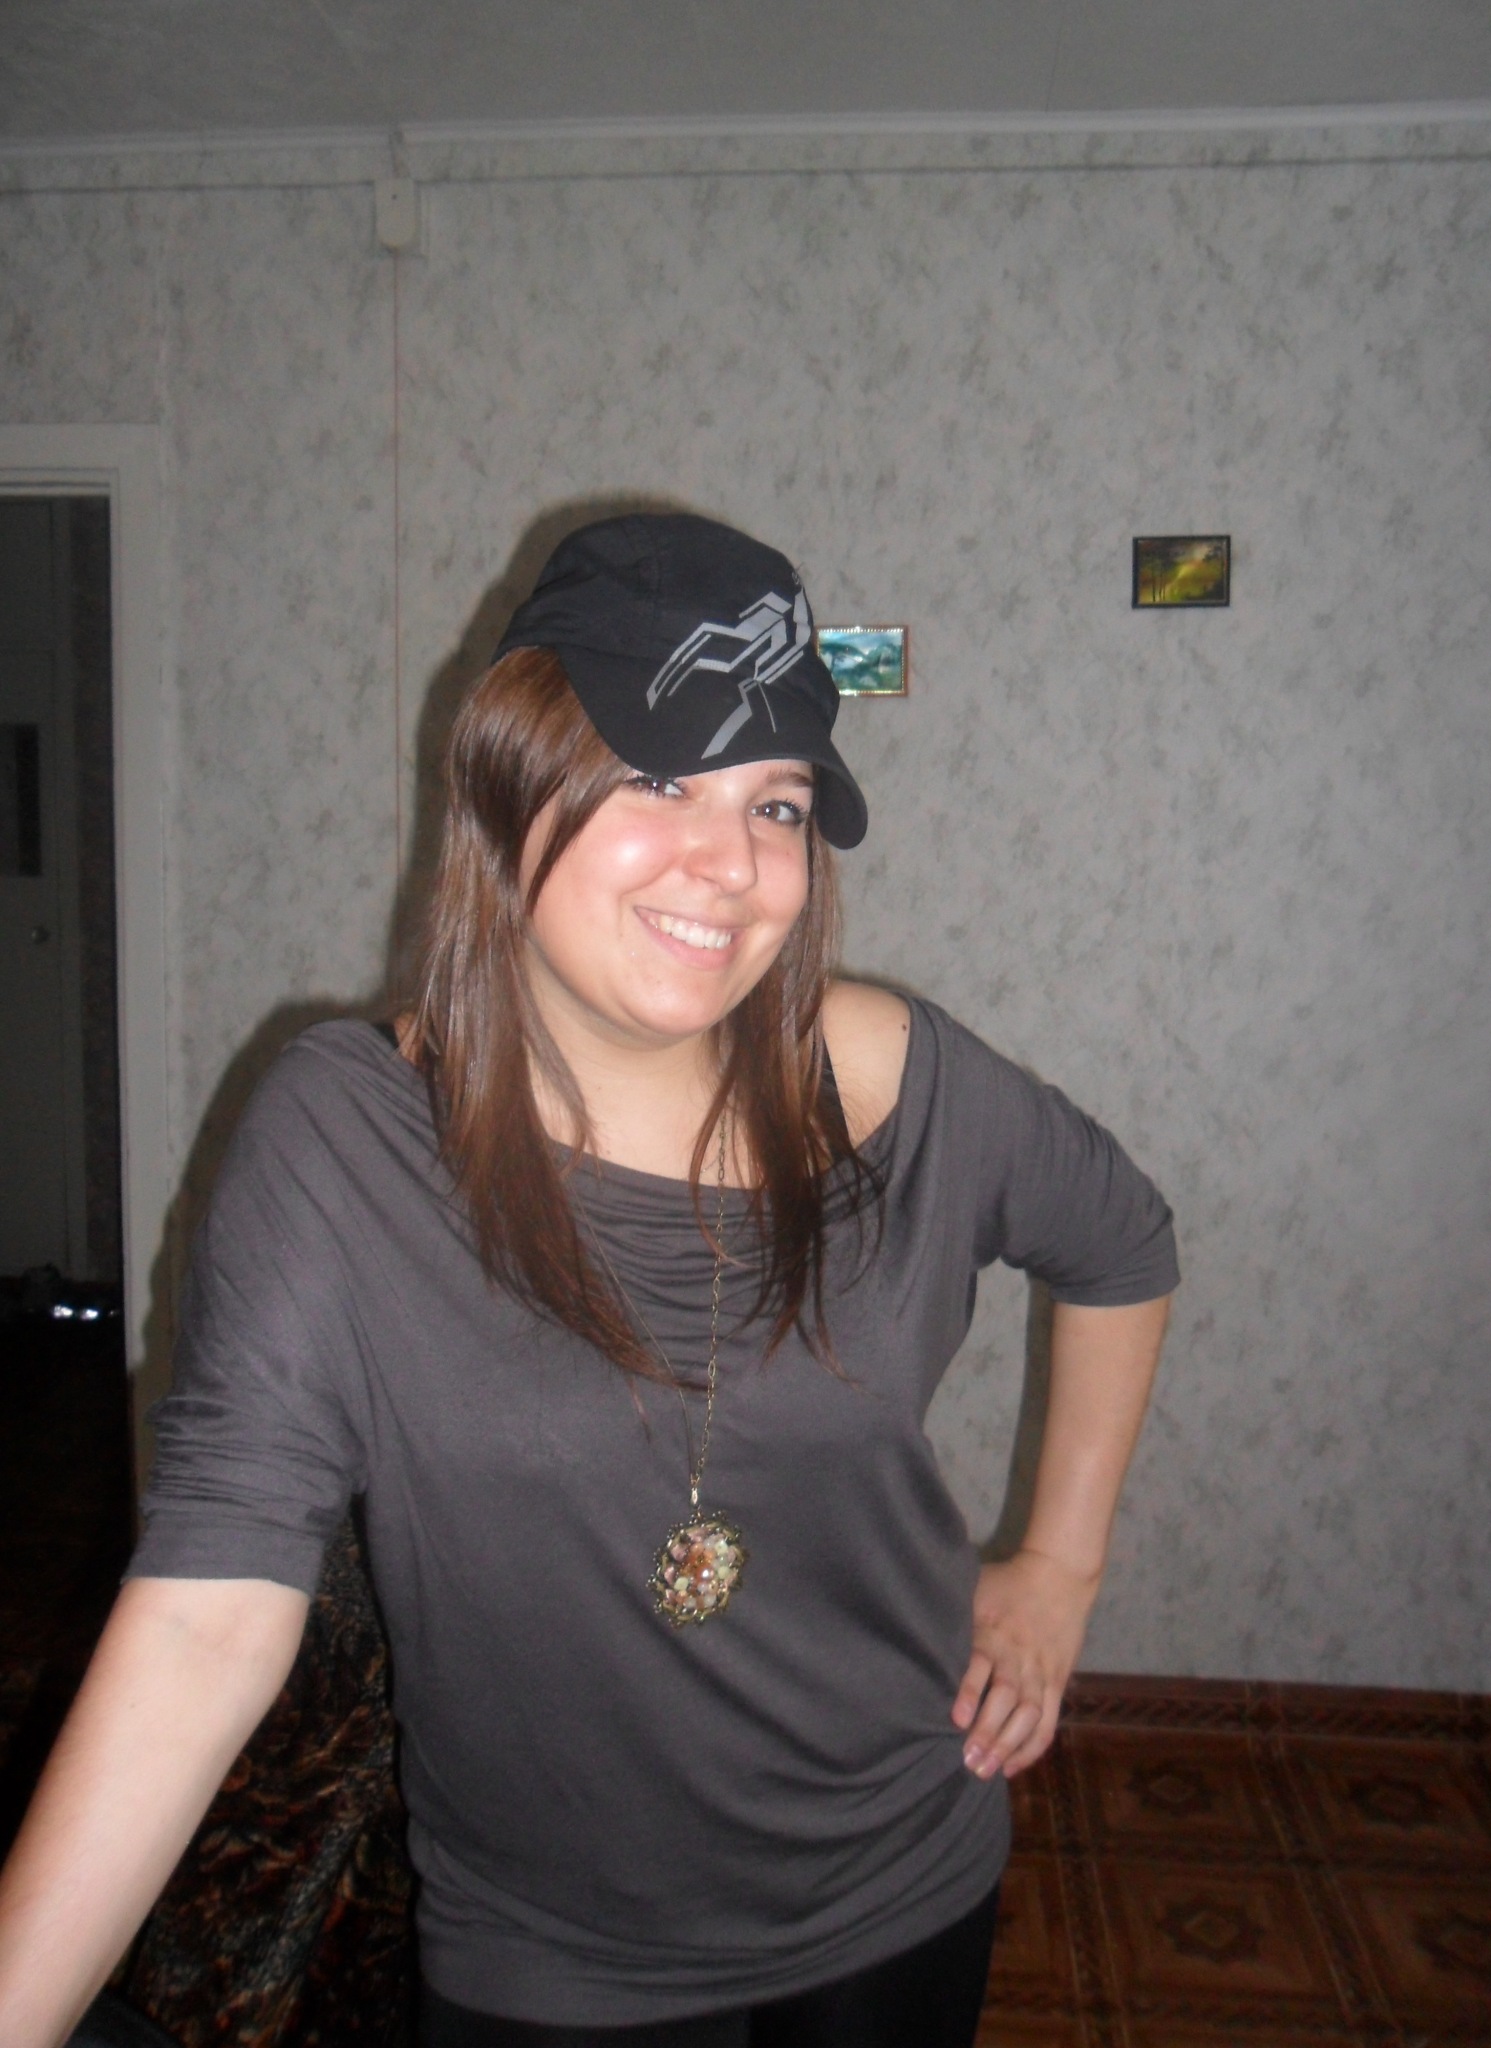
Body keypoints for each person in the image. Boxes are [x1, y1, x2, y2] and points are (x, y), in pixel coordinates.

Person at [0, 514, 1177, 2048]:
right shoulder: (348, 1142)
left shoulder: (888, 1080)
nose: (731, 865)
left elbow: (1122, 1241)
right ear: (509, 779)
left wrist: (1060, 1569)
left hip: (900, 1877)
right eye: (660, 779)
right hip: (552, 1958)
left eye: (775, 803)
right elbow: (203, 1621)